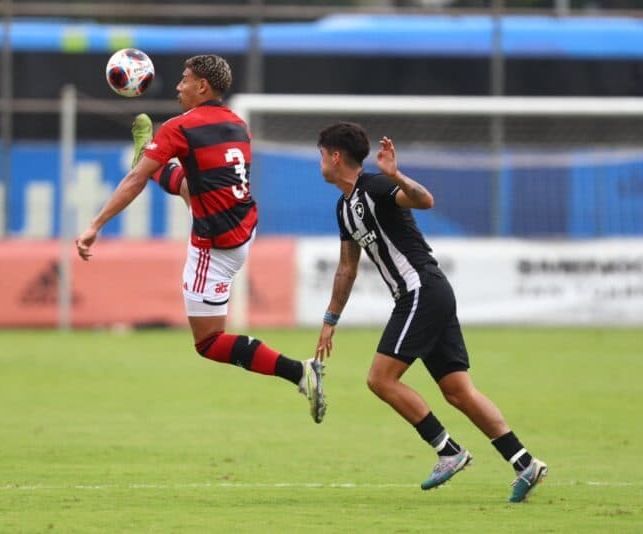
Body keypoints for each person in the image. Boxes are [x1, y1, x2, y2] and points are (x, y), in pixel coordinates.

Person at [75, 54, 326, 423]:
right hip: (245, 226)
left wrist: (95, 225)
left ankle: (300, 372)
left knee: (208, 342)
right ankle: (148, 156)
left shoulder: (179, 127)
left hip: (217, 247)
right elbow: (205, 182)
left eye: (184, 79)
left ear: (202, 86)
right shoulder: (239, 125)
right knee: (195, 185)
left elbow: (134, 183)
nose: (178, 86)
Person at [313, 122, 547, 502]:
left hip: (420, 289)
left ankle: (448, 449)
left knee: (380, 379)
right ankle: (524, 463)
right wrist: (330, 320)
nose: (319, 162)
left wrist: (397, 176)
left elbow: (425, 201)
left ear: (335, 157)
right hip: (428, 293)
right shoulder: (344, 208)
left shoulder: (376, 187)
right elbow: (347, 268)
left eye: (320, 154)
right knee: (458, 390)